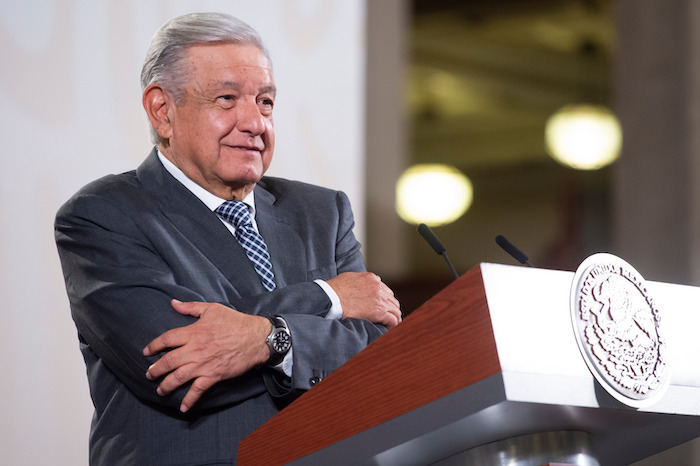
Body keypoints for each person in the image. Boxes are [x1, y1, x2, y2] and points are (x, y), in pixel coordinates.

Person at [55, 12, 401, 465]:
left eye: (265, 102)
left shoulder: (322, 213)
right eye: (226, 99)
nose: (255, 122)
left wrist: (266, 337)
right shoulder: (105, 214)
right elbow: (176, 364)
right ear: (163, 110)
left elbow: (378, 355)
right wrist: (328, 298)